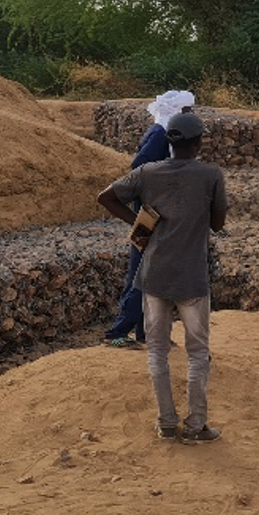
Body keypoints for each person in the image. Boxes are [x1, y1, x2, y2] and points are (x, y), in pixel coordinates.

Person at [98, 112, 228, 443]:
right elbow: (217, 224)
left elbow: (106, 197)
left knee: (156, 350)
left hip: (153, 274)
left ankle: (166, 423)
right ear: (198, 143)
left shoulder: (148, 172)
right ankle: (196, 426)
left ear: (169, 143)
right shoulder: (211, 174)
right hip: (192, 277)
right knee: (198, 352)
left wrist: (140, 223)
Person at [101, 89, 196, 348]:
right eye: (188, 111)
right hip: (149, 216)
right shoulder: (160, 135)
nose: (191, 114)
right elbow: (140, 167)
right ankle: (117, 332)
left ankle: (147, 333)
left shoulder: (167, 134)